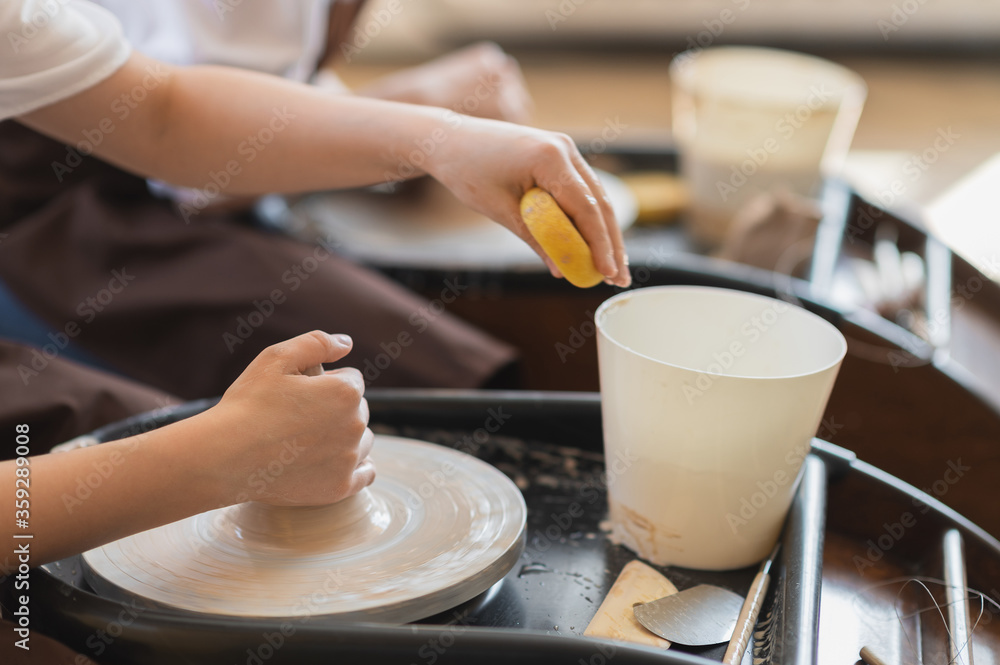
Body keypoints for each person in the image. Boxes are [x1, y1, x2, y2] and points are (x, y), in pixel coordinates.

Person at [0, 0, 629, 572]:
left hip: (158, 188)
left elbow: (161, 113)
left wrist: (444, 140)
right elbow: (204, 185)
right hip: (71, 226)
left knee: (141, 431)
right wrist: (207, 461)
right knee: (120, 541)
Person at [0, 0, 539, 402]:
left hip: (186, 172)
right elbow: (194, 162)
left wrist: (427, 127)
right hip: (80, 225)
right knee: (443, 383)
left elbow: (248, 87)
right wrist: (423, 115)